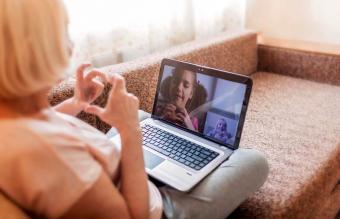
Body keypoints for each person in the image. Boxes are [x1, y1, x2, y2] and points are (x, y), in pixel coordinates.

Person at [0, 1, 269, 219]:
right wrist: (130, 131)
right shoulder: (52, 158)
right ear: (35, 48)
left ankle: (171, 158)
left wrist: (77, 103)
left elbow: (44, 122)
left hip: (114, 169)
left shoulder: (14, 114)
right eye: (63, 33)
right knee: (253, 161)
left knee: (148, 120)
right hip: (154, 206)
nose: (70, 47)